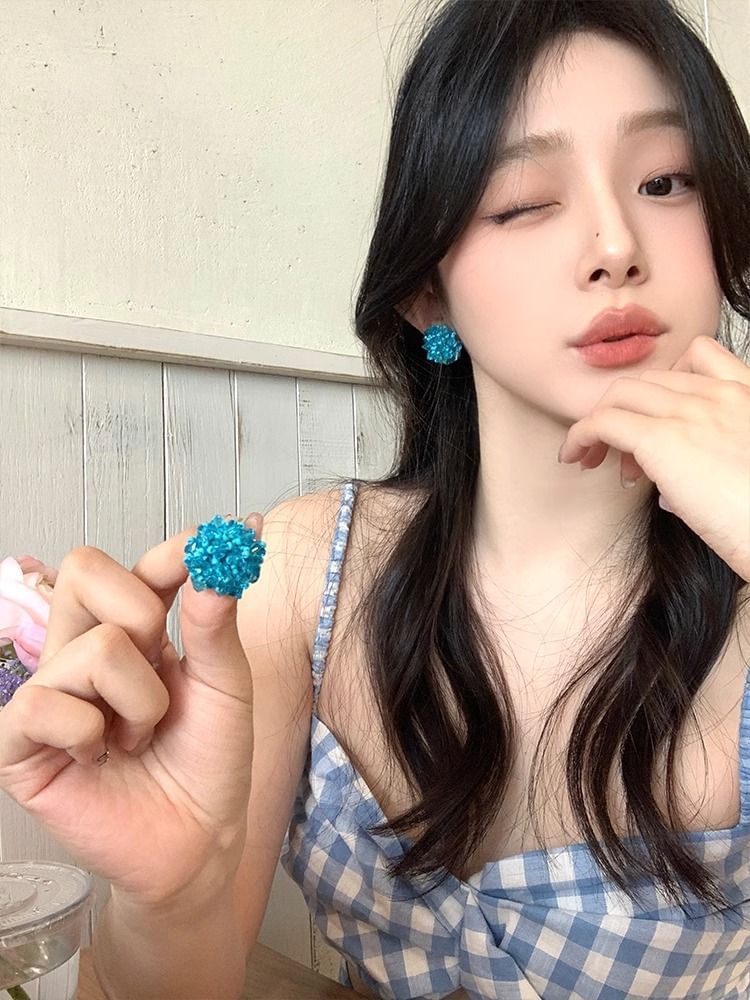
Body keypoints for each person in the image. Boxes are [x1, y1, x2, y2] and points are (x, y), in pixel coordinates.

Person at [2, 0, 750, 997]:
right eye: (525, 200)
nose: (616, 245)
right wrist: (173, 900)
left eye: (665, 181)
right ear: (426, 292)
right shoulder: (302, 574)